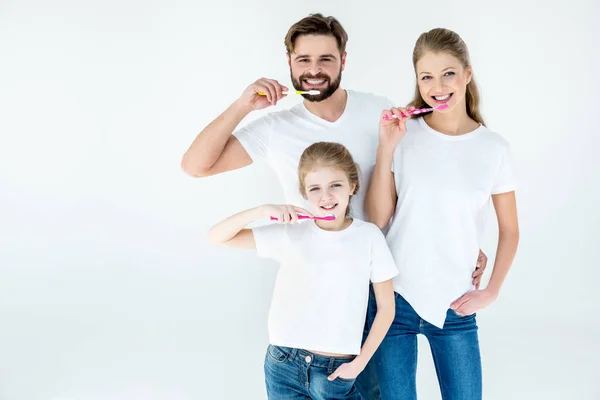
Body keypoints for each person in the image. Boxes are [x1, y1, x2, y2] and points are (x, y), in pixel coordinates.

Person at [182, 13, 489, 398]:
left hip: (377, 292)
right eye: (303, 60)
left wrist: (459, 241)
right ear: (289, 64)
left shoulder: (377, 110)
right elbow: (195, 166)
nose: (314, 70)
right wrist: (243, 105)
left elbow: (422, 180)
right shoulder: (275, 128)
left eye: (326, 59)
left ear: (344, 59)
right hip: (314, 297)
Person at [365, 28, 520, 400]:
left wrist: (493, 290)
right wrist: (387, 147)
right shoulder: (404, 134)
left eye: (448, 73)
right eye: (426, 77)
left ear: (467, 73)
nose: (438, 86)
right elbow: (376, 219)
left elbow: (510, 230)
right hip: (393, 300)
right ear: (417, 81)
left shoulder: (493, 148)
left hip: (455, 304)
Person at [207, 142, 398, 399]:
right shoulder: (291, 234)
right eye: (315, 188)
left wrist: (360, 363)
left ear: (352, 186)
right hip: (282, 362)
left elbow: (387, 308)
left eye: (335, 185)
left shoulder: (368, 237)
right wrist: (263, 210)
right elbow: (217, 237)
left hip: (335, 370)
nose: (325, 196)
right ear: (304, 193)